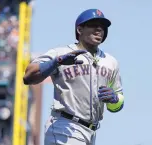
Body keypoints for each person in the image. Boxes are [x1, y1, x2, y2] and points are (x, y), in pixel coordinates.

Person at [23, 8, 124, 145]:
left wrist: (114, 99)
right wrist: (56, 62)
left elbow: (117, 104)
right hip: (64, 127)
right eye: (93, 24)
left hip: (91, 132)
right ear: (80, 29)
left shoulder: (110, 62)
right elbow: (29, 75)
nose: (99, 29)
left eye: (102, 26)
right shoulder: (62, 53)